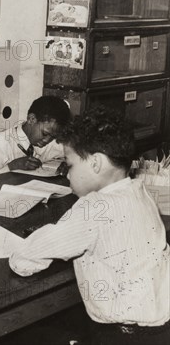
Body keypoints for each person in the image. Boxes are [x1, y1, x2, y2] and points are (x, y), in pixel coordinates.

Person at [9, 107, 170, 345]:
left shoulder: (94, 207)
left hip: (122, 336)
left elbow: (24, 259)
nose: (67, 175)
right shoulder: (139, 192)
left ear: (96, 163)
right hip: (159, 326)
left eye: (70, 165)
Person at [0, 96, 71, 175]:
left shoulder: (48, 142)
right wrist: (12, 166)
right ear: (31, 119)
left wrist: (70, 163)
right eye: (45, 134)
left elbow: (75, 151)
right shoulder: (1, 145)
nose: (47, 140)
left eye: (53, 137)